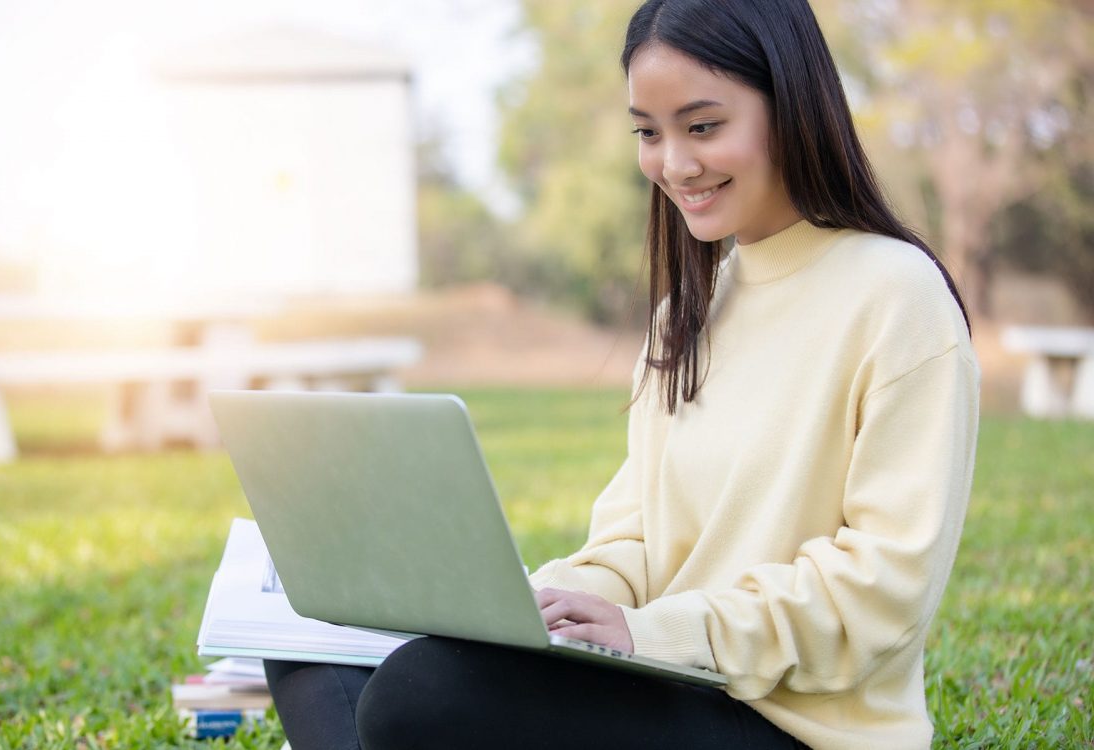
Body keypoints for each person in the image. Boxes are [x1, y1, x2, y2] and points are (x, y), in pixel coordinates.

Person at [264, 0, 980, 747]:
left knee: (418, 695)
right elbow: (634, 540)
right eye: (648, 131)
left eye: (703, 126)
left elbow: (882, 589)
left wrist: (655, 632)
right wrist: (543, 609)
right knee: (305, 644)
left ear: (792, 106)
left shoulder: (897, 295)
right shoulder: (685, 316)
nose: (674, 163)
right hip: (667, 679)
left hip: (787, 722)